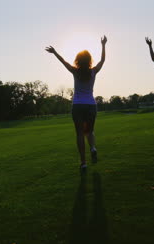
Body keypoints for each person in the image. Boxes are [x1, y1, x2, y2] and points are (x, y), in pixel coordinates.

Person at [45, 35, 107, 170]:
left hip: (78, 105)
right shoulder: (93, 71)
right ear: (89, 60)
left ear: (78, 60)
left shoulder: (75, 71)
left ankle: (84, 163)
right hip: (91, 105)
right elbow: (102, 60)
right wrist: (103, 45)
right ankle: (93, 148)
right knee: (89, 131)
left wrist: (54, 52)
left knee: (80, 133)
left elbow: (63, 61)